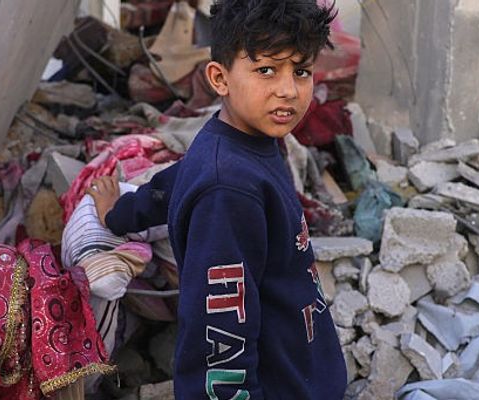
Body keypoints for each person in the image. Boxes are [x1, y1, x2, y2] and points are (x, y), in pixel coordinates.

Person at [87, 0, 346, 398]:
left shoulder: (240, 141)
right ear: (219, 78)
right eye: (266, 70)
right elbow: (220, 339)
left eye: (301, 71)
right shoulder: (227, 192)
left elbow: (176, 180)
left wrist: (122, 213)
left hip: (303, 368)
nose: (288, 90)